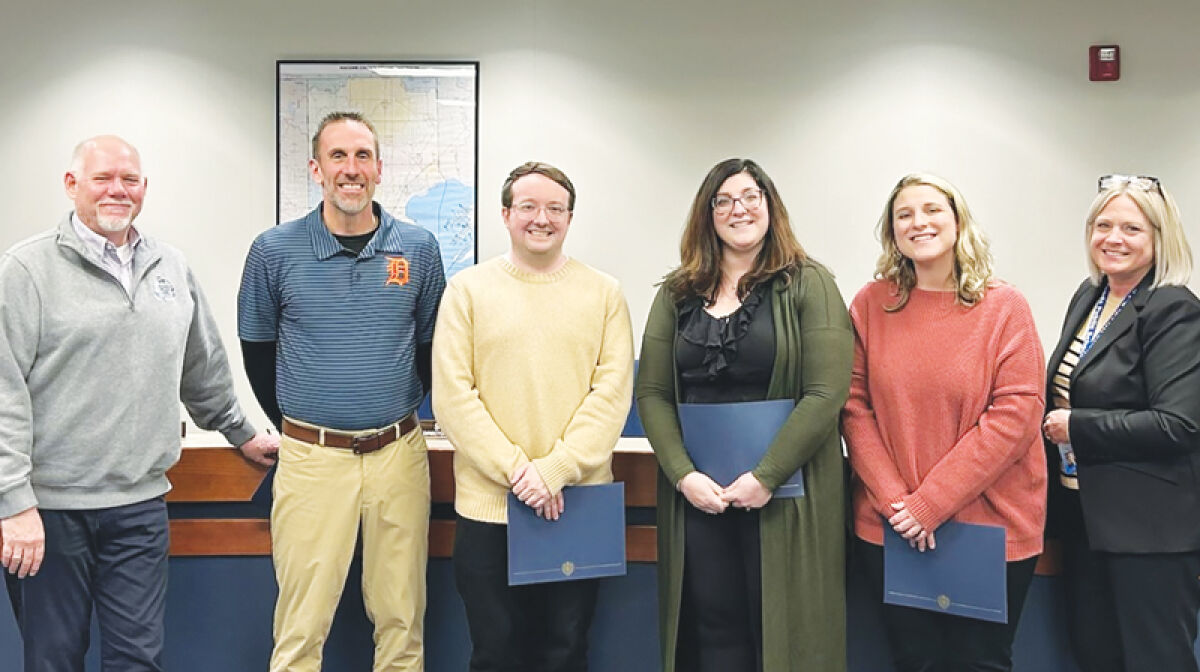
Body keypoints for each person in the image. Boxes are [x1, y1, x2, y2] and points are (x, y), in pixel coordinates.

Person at [0, 135, 277, 672]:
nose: (116, 190)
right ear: (71, 185)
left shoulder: (169, 266)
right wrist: (13, 503)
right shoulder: (26, 270)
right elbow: (3, 392)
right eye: (102, 178)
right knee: (53, 659)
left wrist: (241, 431)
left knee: (138, 660)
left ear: (144, 189)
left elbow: (203, 369)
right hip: (51, 512)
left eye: (128, 180)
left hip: (139, 508)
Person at [237, 111, 445, 672]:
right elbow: (258, 351)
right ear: (315, 169)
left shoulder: (420, 250)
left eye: (361, 157)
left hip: (398, 455)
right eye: (337, 156)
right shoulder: (274, 251)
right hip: (311, 458)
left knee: (403, 619)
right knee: (301, 626)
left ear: (379, 169)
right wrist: (300, 423)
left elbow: (430, 350)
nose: (350, 170)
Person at [634, 158, 852, 672]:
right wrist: (683, 476)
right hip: (700, 498)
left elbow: (826, 392)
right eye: (725, 200)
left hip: (787, 493)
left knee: (783, 633)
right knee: (712, 626)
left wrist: (766, 476)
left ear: (770, 206)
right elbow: (654, 393)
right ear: (707, 214)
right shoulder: (677, 292)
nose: (740, 209)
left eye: (752, 196)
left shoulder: (809, 284)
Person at [432, 161, 633, 672]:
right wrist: (522, 473)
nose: (541, 219)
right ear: (505, 214)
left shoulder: (604, 293)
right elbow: (453, 398)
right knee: (496, 652)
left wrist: (554, 472)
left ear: (569, 218)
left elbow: (611, 395)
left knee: (565, 653)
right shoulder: (467, 291)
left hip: (576, 506)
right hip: (489, 509)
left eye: (555, 209)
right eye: (528, 207)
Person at [841, 173, 1046, 672]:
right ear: (892, 233)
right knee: (915, 660)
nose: (919, 222)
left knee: (980, 663)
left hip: (989, 527)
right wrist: (898, 504)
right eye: (904, 215)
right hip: (891, 526)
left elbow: (1016, 416)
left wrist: (930, 504)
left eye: (932, 210)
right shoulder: (871, 304)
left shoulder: (1004, 307)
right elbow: (853, 406)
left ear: (958, 221)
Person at [1042, 174, 1200, 672]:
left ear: (1159, 237)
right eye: (1103, 225)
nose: (1113, 238)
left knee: (1156, 661)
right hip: (1084, 517)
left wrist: (1078, 426)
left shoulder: (1175, 309)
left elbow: (1178, 424)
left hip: (1149, 532)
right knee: (1094, 655)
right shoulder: (1090, 298)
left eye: (1131, 228)